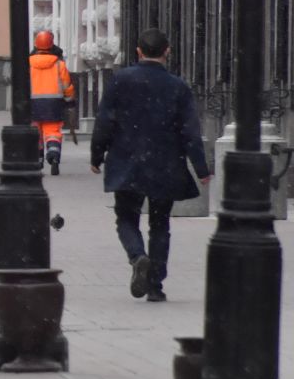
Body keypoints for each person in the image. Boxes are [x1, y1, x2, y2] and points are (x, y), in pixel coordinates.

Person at [89, 28, 212, 303]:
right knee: (160, 223)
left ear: (138, 52)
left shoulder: (120, 80)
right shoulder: (177, 86)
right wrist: (202, 169)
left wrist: (97, 156)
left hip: (126, 160)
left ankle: (137, 256)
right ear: (167, 52)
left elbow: (104, 121)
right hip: (165, 163)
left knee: (126, 217)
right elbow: (190, 131)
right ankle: (155, 285)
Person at [28, 30, 77, 174]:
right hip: (53, 104)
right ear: (51, 45)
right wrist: (70, 102)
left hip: (33, 104)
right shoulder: (59, 64)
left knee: (35, 133)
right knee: (53, 132)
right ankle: (54, 157)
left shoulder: (28, 63)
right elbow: (67, 85)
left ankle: (38, 160)